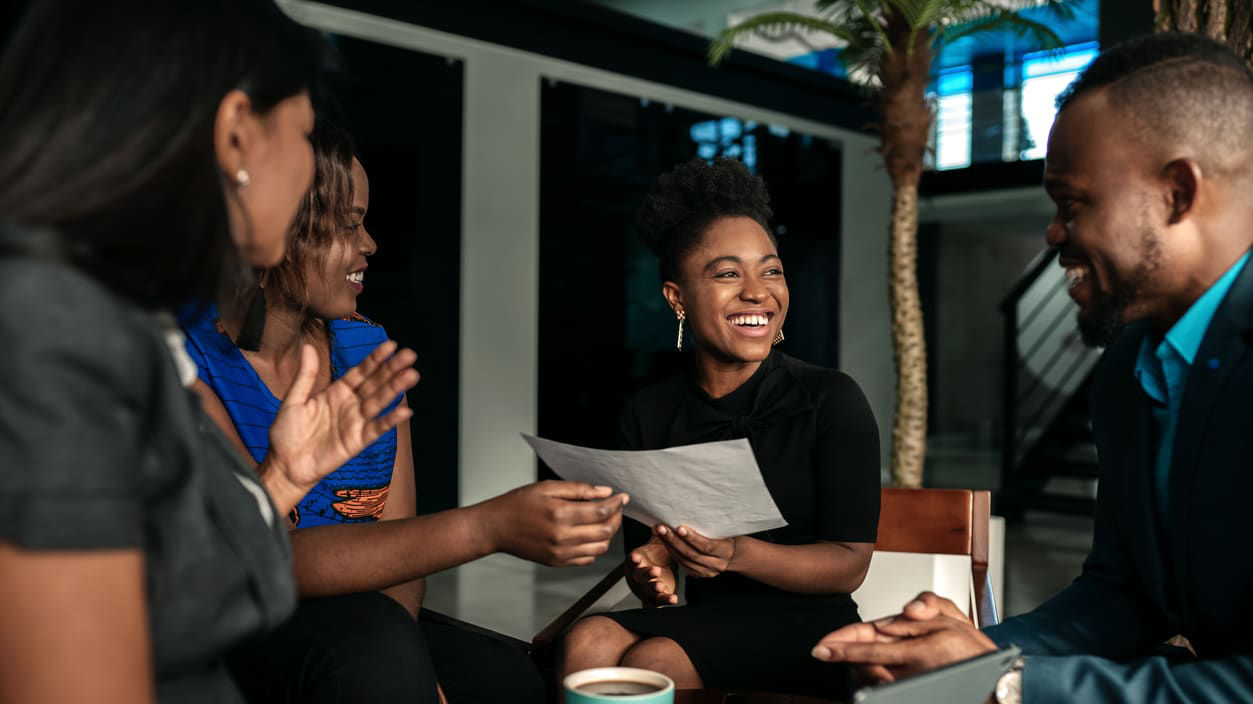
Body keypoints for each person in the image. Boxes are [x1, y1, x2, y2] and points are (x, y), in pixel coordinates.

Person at [812, 33, 1253, 703]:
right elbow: (1122, 594)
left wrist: (1011, 682)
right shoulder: (1126, 369)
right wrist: (972, 654)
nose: (1052, 233)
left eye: (1071, 204)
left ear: (1176, 193)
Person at [0, 2, 421, 703]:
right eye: (303, 136)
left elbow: (164, 601)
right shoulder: (52, 338)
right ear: (234, 138)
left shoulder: (117, 324)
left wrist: (281, 479)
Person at [186, 121, 628, 704]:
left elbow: (398, 545)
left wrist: (407, 654)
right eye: (348, 225)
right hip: (246, 622)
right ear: (277, 227)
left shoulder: (367, 348)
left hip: (371, 623)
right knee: (372, 647)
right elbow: (269, 555)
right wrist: (488, 526)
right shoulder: (190, 367)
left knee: (507, 678)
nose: (369, 244)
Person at [558, 157, 881, 699]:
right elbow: (653, 563)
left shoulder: (830, 398)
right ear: (676, 297)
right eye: (729, 274)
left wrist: (739, 553)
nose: (758, 292)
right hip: (708, 621)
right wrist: (651, 575)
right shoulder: (648, 412)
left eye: (771, 270)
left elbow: (850, 565)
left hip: (810, 629)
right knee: (587, 639)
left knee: (654, 659)